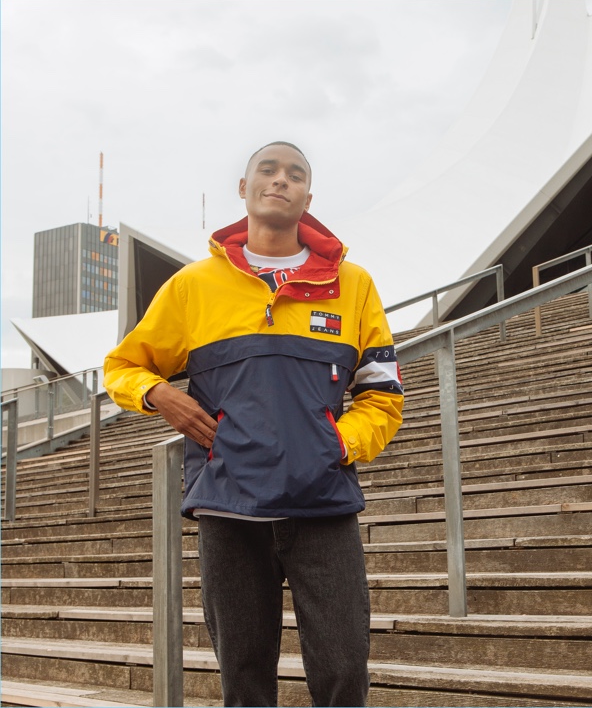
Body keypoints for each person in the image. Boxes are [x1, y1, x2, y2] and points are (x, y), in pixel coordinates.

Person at [104, 141, 404, 707]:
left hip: (323, 503)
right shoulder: (194, 285)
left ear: (307, 197)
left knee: (343, 669)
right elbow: (122, 365)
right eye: (267, 170)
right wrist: (158, 393)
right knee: (242, 676)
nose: (279, 180)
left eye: (294, 174)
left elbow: (382, 394)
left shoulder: (353, 284)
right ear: (243, 188)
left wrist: (336, 444)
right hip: (228, 504)